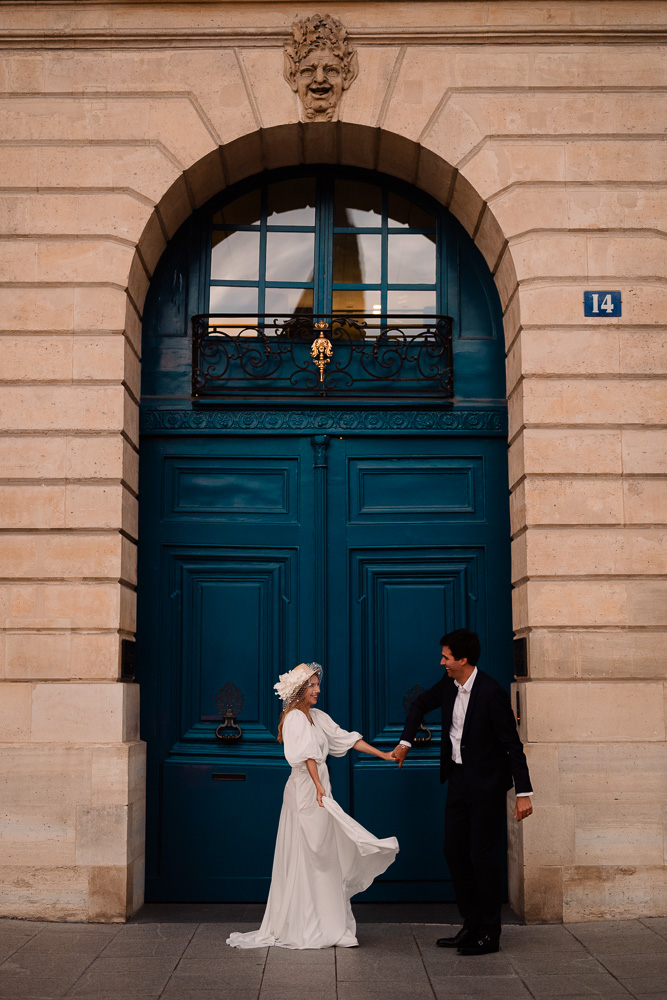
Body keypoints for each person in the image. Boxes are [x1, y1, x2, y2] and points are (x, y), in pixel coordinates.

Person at [227, 662, 398, 950]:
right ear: (298, 690)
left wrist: (382, 754)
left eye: (318, 684)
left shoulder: (316, 716)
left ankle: (331, 923)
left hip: (319, 789)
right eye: (312, 685)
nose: (318, 689)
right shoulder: (294, 719)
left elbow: (346, 739)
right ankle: (307, 924)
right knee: (310, 851)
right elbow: (307, 756)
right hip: (306, 791)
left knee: (324, 853)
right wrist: (319, 787)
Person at [392, 629, 533, 956]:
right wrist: (404, 743)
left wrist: (523, 792)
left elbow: (512, 745)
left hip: (487, 786)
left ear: (463, 660)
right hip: (458, 782)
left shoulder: (492, 692)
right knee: (454, 851)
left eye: (446, 657)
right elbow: (418, 704)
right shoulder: (449, 685)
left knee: (484, 858)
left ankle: (489, 932)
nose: (442, 662)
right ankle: (471, 924)